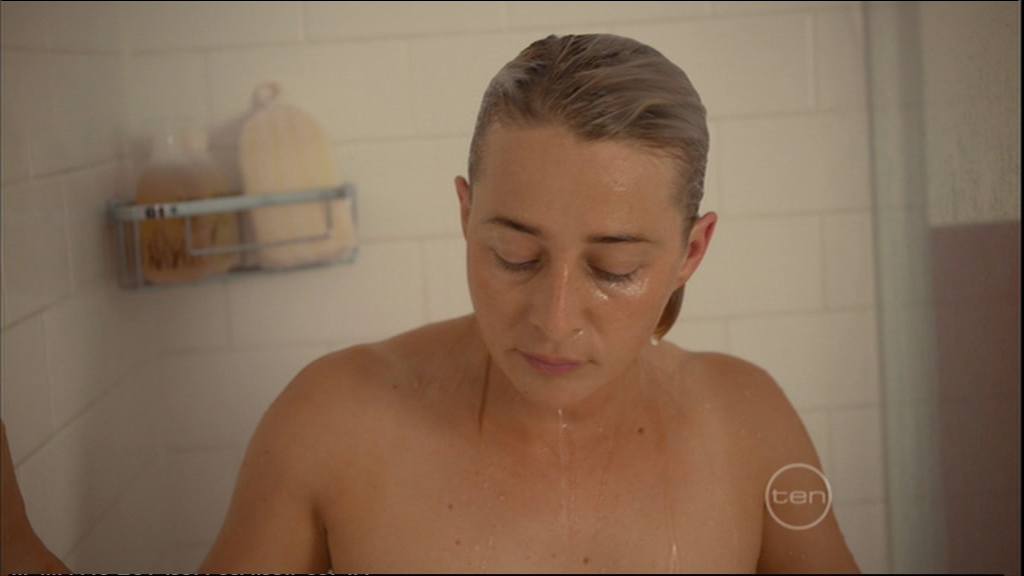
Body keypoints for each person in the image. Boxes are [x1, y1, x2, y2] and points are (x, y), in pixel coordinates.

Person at [1, 33, 859, 574]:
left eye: (614, 268)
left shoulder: (750, 425)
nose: (555, 317)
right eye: (514, 254)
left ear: (691, 253)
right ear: (464, 215)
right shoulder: (333, 423)